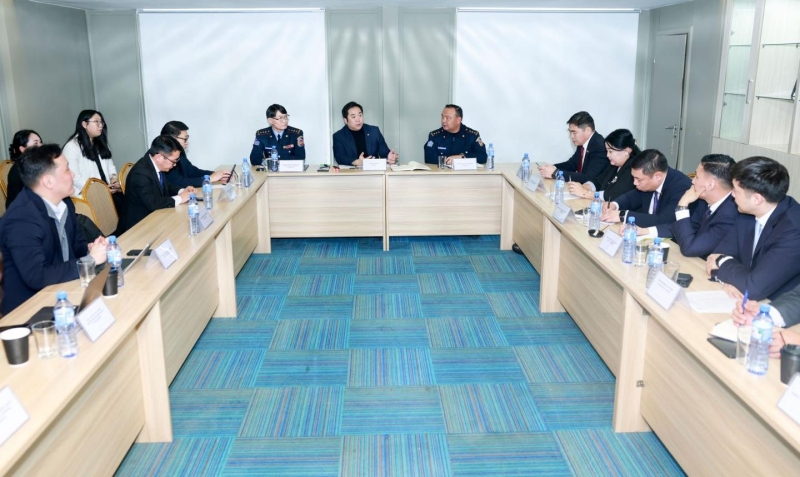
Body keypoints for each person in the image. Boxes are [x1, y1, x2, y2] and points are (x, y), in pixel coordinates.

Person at [0, 144, 108, 314]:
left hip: (65, 290)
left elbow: (76, 246)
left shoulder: (64, 202)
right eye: (67, 170)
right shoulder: (21, 218)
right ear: (48, 181)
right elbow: (37, 276)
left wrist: (91, 248)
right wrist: (90, 260)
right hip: (31, 309)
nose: (73, 175)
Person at [707, 156, 800, 301]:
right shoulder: (747, 212)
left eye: (735, 191)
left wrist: (723, 263)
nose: (732, 195)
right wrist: (732, 280)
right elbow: (718, 254)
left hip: (776, 305)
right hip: (745, 298)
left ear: (757, 199)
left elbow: (754, 288)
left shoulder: (794, 230)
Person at [644, 154, 738, 259]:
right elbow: (682, 228)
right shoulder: (704, 201)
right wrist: (646, 231)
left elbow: (689, 249)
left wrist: (682, 205)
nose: (692, 181)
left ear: (710, 184)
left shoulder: (729, 216)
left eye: (697, 177)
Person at [599, 149, 692, 228]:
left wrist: (623, 215)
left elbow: (663, 220)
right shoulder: (649, 183)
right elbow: (631, 197)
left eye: (638, 179)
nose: (635, 183)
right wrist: (615, 205)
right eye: (633, 178)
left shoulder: (681, 187)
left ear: (658, 176)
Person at [123, 135, 196, 232]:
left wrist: (182, 191)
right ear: (159, 157)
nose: (175, 165)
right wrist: (180, 198)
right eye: (173, 161)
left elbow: (166, 185)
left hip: (155, 218)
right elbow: (152, 202)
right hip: (138, 227)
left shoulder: (155, 164)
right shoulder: (140, 173)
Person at [566, 128, 638, 202]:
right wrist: (585, 186)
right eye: (607, 151)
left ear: (626, 151)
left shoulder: (634, 168)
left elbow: (614, 195)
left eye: (610, 151)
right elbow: (599, 181)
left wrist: (586, 193)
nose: (607, 155)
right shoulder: (614, 164)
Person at [537, 111, 609, 184]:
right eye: (570, 132)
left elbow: (588, 177)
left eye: (574, 133)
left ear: (588, 131)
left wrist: (556, 173)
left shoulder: (600, 147)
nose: (571, 136)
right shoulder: (582, 142)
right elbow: (571, 165)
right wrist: (552, 167)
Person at [62, 110, 121, 197]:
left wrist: (114, 181)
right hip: (88, 195)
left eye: (101, 122)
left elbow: (111, 167)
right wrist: (100, 189)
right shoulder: (72, 147)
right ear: (84, 124)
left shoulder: (101, 143)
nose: (100, 125)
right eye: (96, 121)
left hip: (108, 191)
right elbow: (75, 178)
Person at [161, 121, 230, 187]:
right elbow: (178, 182)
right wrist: (209, 179)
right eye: (185, 139)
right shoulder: (163, 157)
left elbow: (192, 171)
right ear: (172, 139)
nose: (187, 143)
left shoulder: (180, 152)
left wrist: (214, 174)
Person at [332, 101, 398, 166]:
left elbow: (384, 151)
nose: (358, 119)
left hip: (373, 170)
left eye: (360, 115)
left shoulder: (374, 131)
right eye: (353, 117)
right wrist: (357, 162)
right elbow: (340, 157)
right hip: (351, 171)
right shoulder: (339, 136)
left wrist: (389, 156)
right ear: (345, 120)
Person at [6, 129, 42, 207]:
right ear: (23, 149)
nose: (41, 146)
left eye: (40, 142)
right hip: (21, 210)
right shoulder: (20, 169)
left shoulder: (36, 164)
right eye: (36, 143)